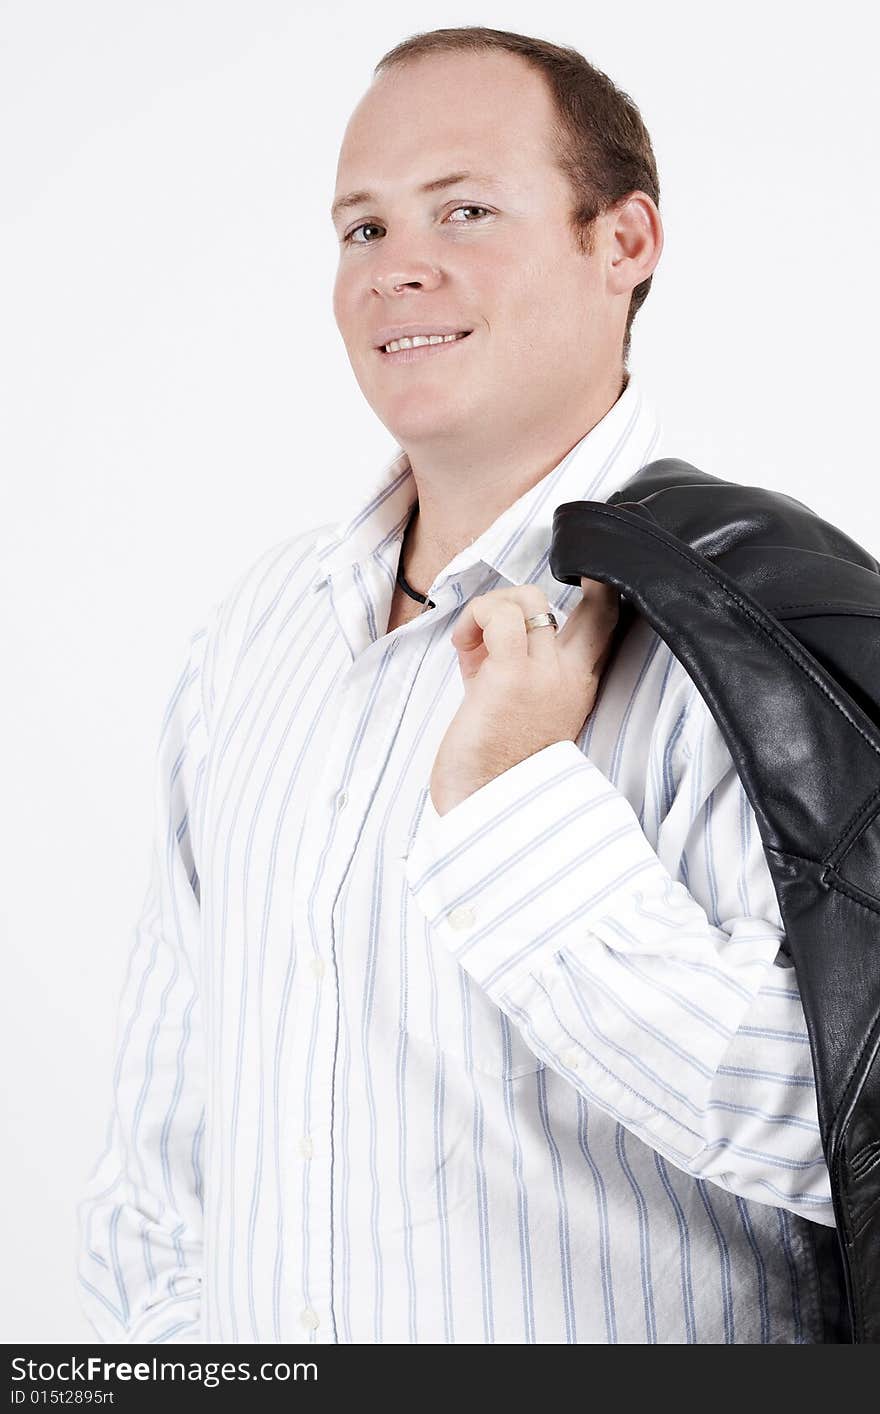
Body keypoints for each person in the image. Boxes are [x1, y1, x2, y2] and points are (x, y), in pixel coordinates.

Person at [76, 25, 834, 1345]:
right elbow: (165, 1150)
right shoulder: (254, 638)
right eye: (360, 228)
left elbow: (838, 1126)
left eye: (465, 209)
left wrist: (518, 812)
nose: (396, 269)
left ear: (627, 243)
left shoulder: (764, 628)